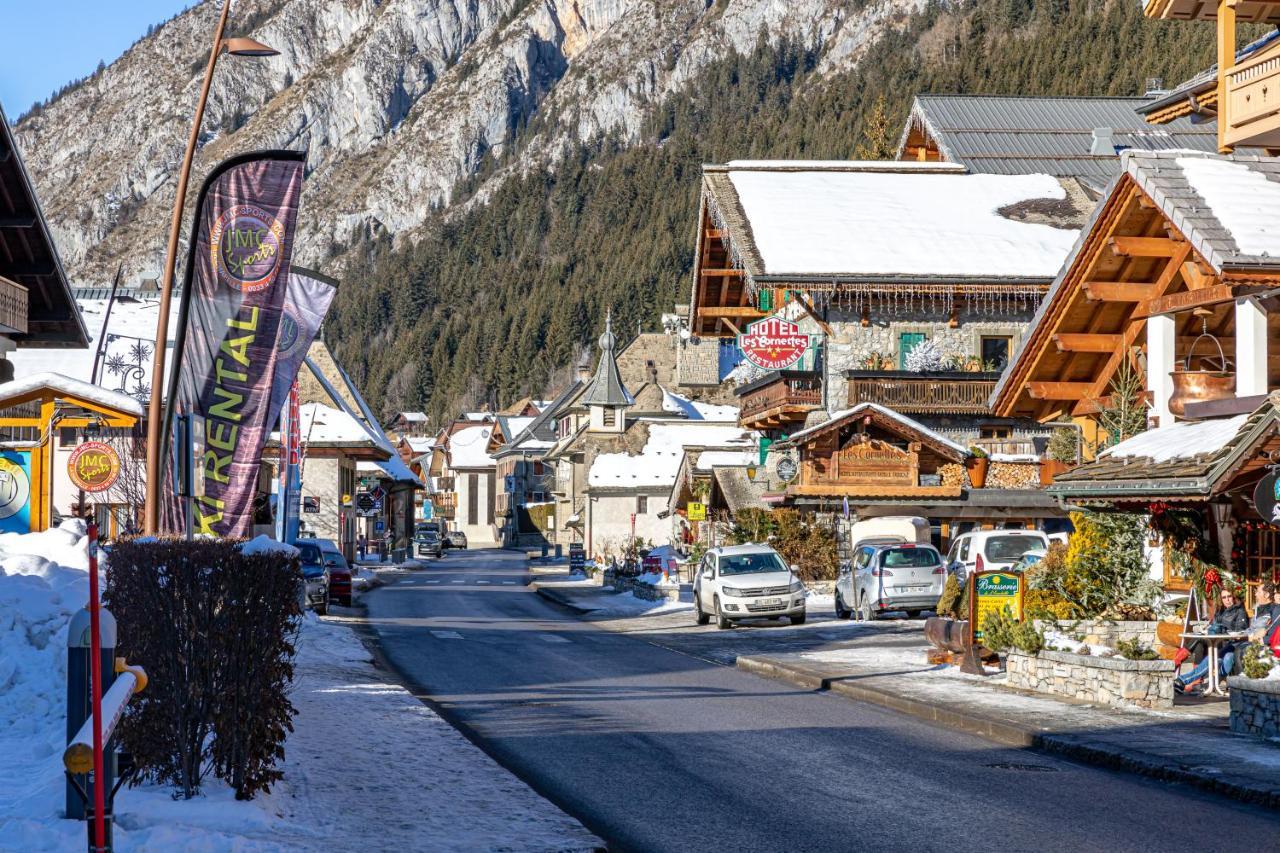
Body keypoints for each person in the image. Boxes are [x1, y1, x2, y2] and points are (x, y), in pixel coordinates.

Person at [1174, 587, 1250, 694]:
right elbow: (1213, 625)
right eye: (1224, 597)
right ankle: (1186, 679)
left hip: (1232, 645)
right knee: (1200, 641)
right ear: (1221, 599)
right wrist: (1208, 629)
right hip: (1219, 644)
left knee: (1217, 658)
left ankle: (1181, 677)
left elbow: (1240, 630)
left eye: (1229, 597)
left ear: (1233, 597)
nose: (1227, 600)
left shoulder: (1240, 611)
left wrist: (1222, 630)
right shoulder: (1220, 611)